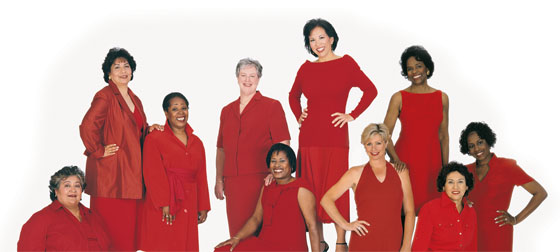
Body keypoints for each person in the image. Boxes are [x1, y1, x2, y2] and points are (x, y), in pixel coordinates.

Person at [288, 18, 377, 251]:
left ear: (332, 38)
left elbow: (371, 90)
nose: (318, 43)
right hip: (308, 139)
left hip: (336, 138)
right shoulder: (306, 68)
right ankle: (318, 243)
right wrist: (299, 115)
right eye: (312, 40)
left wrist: (352, 115)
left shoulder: (346, 64)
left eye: (321, 37)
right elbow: (292, 95)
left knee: (336, 188)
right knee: (311, 189)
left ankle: (340, 242)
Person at [79, 47, 160, 251]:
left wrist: (150, 129)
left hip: (131, 176)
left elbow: (135, 131)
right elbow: (87, 126)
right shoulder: (105, 96)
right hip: (111, 178)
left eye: (126, 66)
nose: (123, 70)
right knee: (110, 234)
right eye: (117, 67)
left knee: (128, 235)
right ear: (109, 73)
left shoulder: (135, 98)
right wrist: (98, 151)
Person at [215, 58, 291, 236]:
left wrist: (276, 172)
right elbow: (221, 149)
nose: (247, 80)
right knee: (237, 233)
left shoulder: (272, 106)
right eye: (243, 75)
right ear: (237, 77)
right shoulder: (227, 111)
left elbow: (283, 144)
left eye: (252, 76)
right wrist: (219, 179)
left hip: (262, 180)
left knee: (261, 231)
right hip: (233, 183)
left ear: (259, 79)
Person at [321, 123, 414, 251]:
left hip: (393, 241)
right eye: (369, 144)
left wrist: (407, 245)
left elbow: (409, 211)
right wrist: (346, 225)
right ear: (364, 146)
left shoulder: (401, 172)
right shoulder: (355, 173)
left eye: (378, 143)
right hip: (363, 241)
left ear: (386, 143)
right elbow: (326, 199)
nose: (373, 148)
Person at [138, 92, 211, 251]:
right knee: (164, 244)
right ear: (166, 113)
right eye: (175, 109)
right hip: (164, 202)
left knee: (186, 245)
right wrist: (165, 203)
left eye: (184, 108)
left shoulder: (197, 142)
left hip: (189, 200)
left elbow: (201, 175)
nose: (180, 113)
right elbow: (152, 173)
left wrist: (203, 205)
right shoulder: (155, 138)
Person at [459, 122, 547, 251]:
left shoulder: (507, 167)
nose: (477, 149)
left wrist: (516, 219)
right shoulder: (465, 172)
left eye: (480, 142)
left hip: (498, 235)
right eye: (471, 146)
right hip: (469, 235)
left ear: (488, 141)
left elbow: (540, 193)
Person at [215, 143, 320, 251]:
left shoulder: (301, 189)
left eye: (282, 161)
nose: (277, 165)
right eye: (273, 161)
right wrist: (237, 238)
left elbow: (312, 226)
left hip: (290, 248)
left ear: (291, 164)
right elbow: (256, 219)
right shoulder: (267, 187)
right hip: (264, 244)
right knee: (222, 250)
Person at [383, 45, 449, 214]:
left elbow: (443, 136)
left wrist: (445, 169)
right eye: (409, 69)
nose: (414, 72)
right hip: (406, 162)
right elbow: (384, 134)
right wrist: (396, 160)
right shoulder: (399, 98)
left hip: (432, 164)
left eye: (418, 66)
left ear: (427, 68)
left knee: (432, 214)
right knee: (403, 212)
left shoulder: (442, 98)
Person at [18, 166, 111, 251]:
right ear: (56, 191)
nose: (73, 189)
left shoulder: (94, 217)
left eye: (77, 185)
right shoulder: (40, 219)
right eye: (67, 185)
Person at [412, 162, 477, 251]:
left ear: (466, 186)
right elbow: (419, 248)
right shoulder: (429, 209)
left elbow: (472, 247)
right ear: (443, 186)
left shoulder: (471, 211)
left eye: (460, 182)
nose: (455, 187)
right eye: (450, 182)